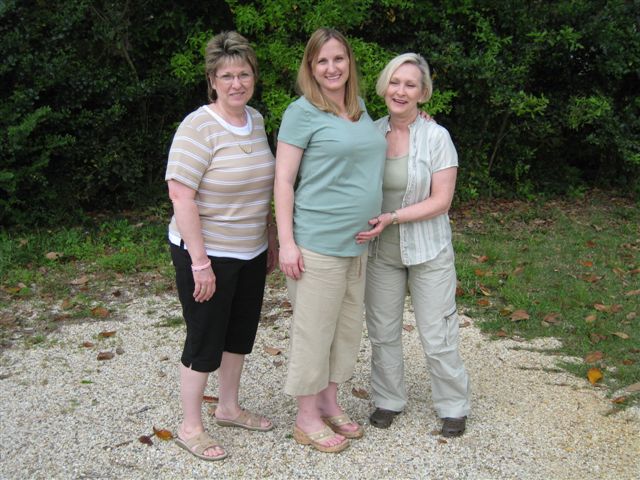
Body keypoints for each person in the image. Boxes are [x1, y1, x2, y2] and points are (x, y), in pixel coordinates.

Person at [165, 31, 277, 461]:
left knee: (239, 334)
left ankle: (228, 407)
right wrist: (200, 263)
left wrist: (267, 235)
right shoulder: (198, 126)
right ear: (212, 79)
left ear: (253, 77)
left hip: (249, 251)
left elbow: (258, 186)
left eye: (243, 74)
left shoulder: (257, 120)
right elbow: (181, 196)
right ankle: (190, 424)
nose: (236, 83)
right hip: (206, 253)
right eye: (226, 75)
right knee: (205, 337)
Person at [274, 28, 387, 453]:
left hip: (358, 243)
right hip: (317, 243)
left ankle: (328, 400)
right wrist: (287, 242)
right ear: (310, 68)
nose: (332, 67)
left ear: (349, 63)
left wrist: (416, 120)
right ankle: (306, 417)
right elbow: (283, 180)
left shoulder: (358, 108)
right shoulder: (301, 113)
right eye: (322, 61)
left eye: (338, 59)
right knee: (314, 331)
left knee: (345, 329)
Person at [355, 53, 471, 437]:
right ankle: (388, 399)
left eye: (410, 85)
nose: (400, 91)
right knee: (383, 331)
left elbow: (442, 201)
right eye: (394, 82)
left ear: (423, 94)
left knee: (437, 333)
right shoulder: (370, 133)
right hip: (380, 252)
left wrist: (393, 218)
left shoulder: (437, 137)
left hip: (428, 250)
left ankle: (453, 405)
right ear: (384, 86)